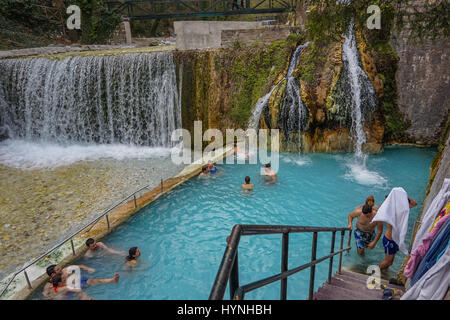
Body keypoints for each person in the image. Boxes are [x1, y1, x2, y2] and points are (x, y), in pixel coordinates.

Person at [378, 196, 418, 270]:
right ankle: (375, 272)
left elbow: (415, 203)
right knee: (387, 261)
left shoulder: (400, 211)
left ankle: (384, 272)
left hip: (395, 240)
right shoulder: (389, 212)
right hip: (389, 240)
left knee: (390, 262)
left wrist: (403, 196)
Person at [43, 264, 119, 297]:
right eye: (58, 269)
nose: (61, 269)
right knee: (80, 294)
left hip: (79, 282)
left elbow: (80, 266)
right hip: (70, 290)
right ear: (53, 274)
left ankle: (112, 280)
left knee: (93, 280)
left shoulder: (65, 270)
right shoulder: (49, 284)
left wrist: (88, 268)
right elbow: (45, 294)